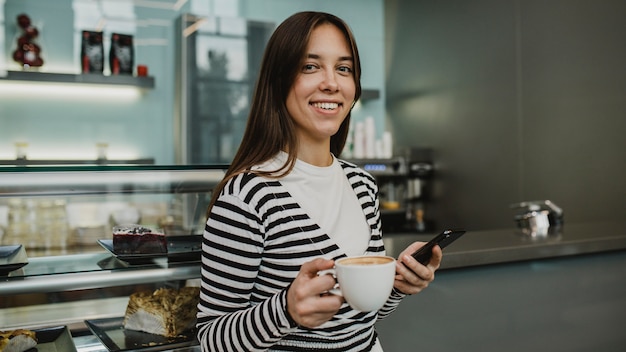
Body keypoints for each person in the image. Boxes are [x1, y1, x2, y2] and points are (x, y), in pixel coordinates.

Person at [196, 11, 443, 351]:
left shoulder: (362, 185)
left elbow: (358, 319)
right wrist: (286, 310)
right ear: (279, 80)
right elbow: (212, 338)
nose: (332, 82)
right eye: (310, 66)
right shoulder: (247, 197)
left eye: (344, 68)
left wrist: (398, 284)